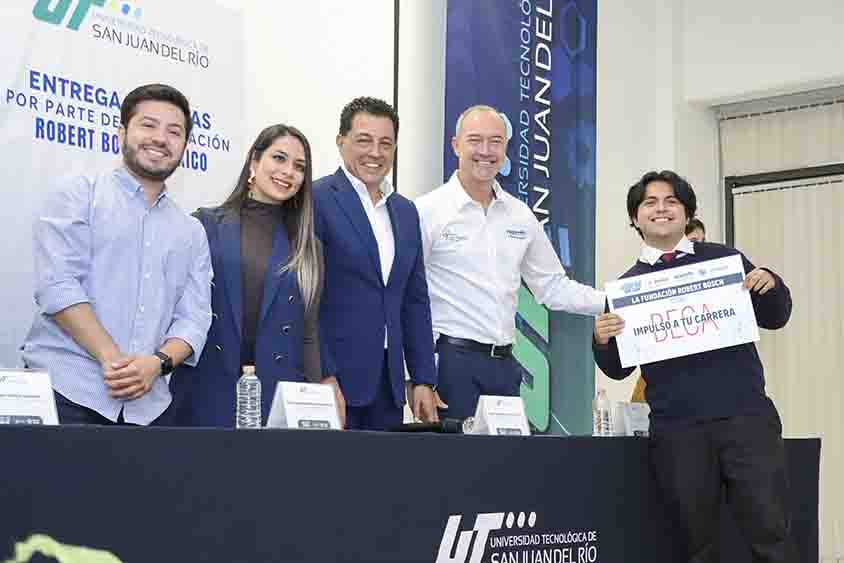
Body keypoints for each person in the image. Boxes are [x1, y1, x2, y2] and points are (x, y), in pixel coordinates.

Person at [593, 170, 793, 562]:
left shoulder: (725, 260)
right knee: (694, 545)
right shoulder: (626, 288)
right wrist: (601, 339)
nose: (661, 208)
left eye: (672, 201)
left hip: (746, 419)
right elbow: (618, 370)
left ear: (687, 214)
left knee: (771, 533)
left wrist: (771, 283)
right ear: (635, 218)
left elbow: (774, 316)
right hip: (678, 431)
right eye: (650, 203)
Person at [22, 83, 212, 426]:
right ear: (122, 132)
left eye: (174, 131)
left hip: (149, 407)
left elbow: (195, 317)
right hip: (66, 393)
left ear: (184, 145)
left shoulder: (192, 231)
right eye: (148, 125)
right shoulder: (78, 194)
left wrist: (157, 364)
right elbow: (58, 285)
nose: (160, 138)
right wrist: (115, 362)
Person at [414, 105, 605, 420]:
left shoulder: (520, 215)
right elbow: (408, 296)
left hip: (504, 366)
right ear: (455, 145)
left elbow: (552, 287)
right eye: (475, 140)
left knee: (508, 466)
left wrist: (611, 302)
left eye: (496, 142)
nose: (485, 152)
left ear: (505, 149)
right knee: (453, 467)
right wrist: (417, 376)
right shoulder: (426, 211)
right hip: (450, 363)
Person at [171, 124, 340, 427]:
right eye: (279, 158)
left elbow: (309, 330)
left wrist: (326, 385)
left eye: (299, 167)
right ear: (254, 162)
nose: (288, 171)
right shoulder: (204, 225)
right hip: (206, 386)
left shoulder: (308, 246)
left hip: (278, 393)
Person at [312, 97, 437, 430]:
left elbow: (414, 299)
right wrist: (323, 372)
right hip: (333, 382)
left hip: (388, 384)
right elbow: (306, 297)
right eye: (364, 140)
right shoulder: (316, 200)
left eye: (386, 143)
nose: (375, 153)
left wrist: (423, 377)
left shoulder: (406, 212)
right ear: (341, 142)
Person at [632, 216, 706, 403]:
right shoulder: (644, 281)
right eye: (694, 242)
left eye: (703, 242)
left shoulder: (711, 283)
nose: (699, 248)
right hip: (665, 386)